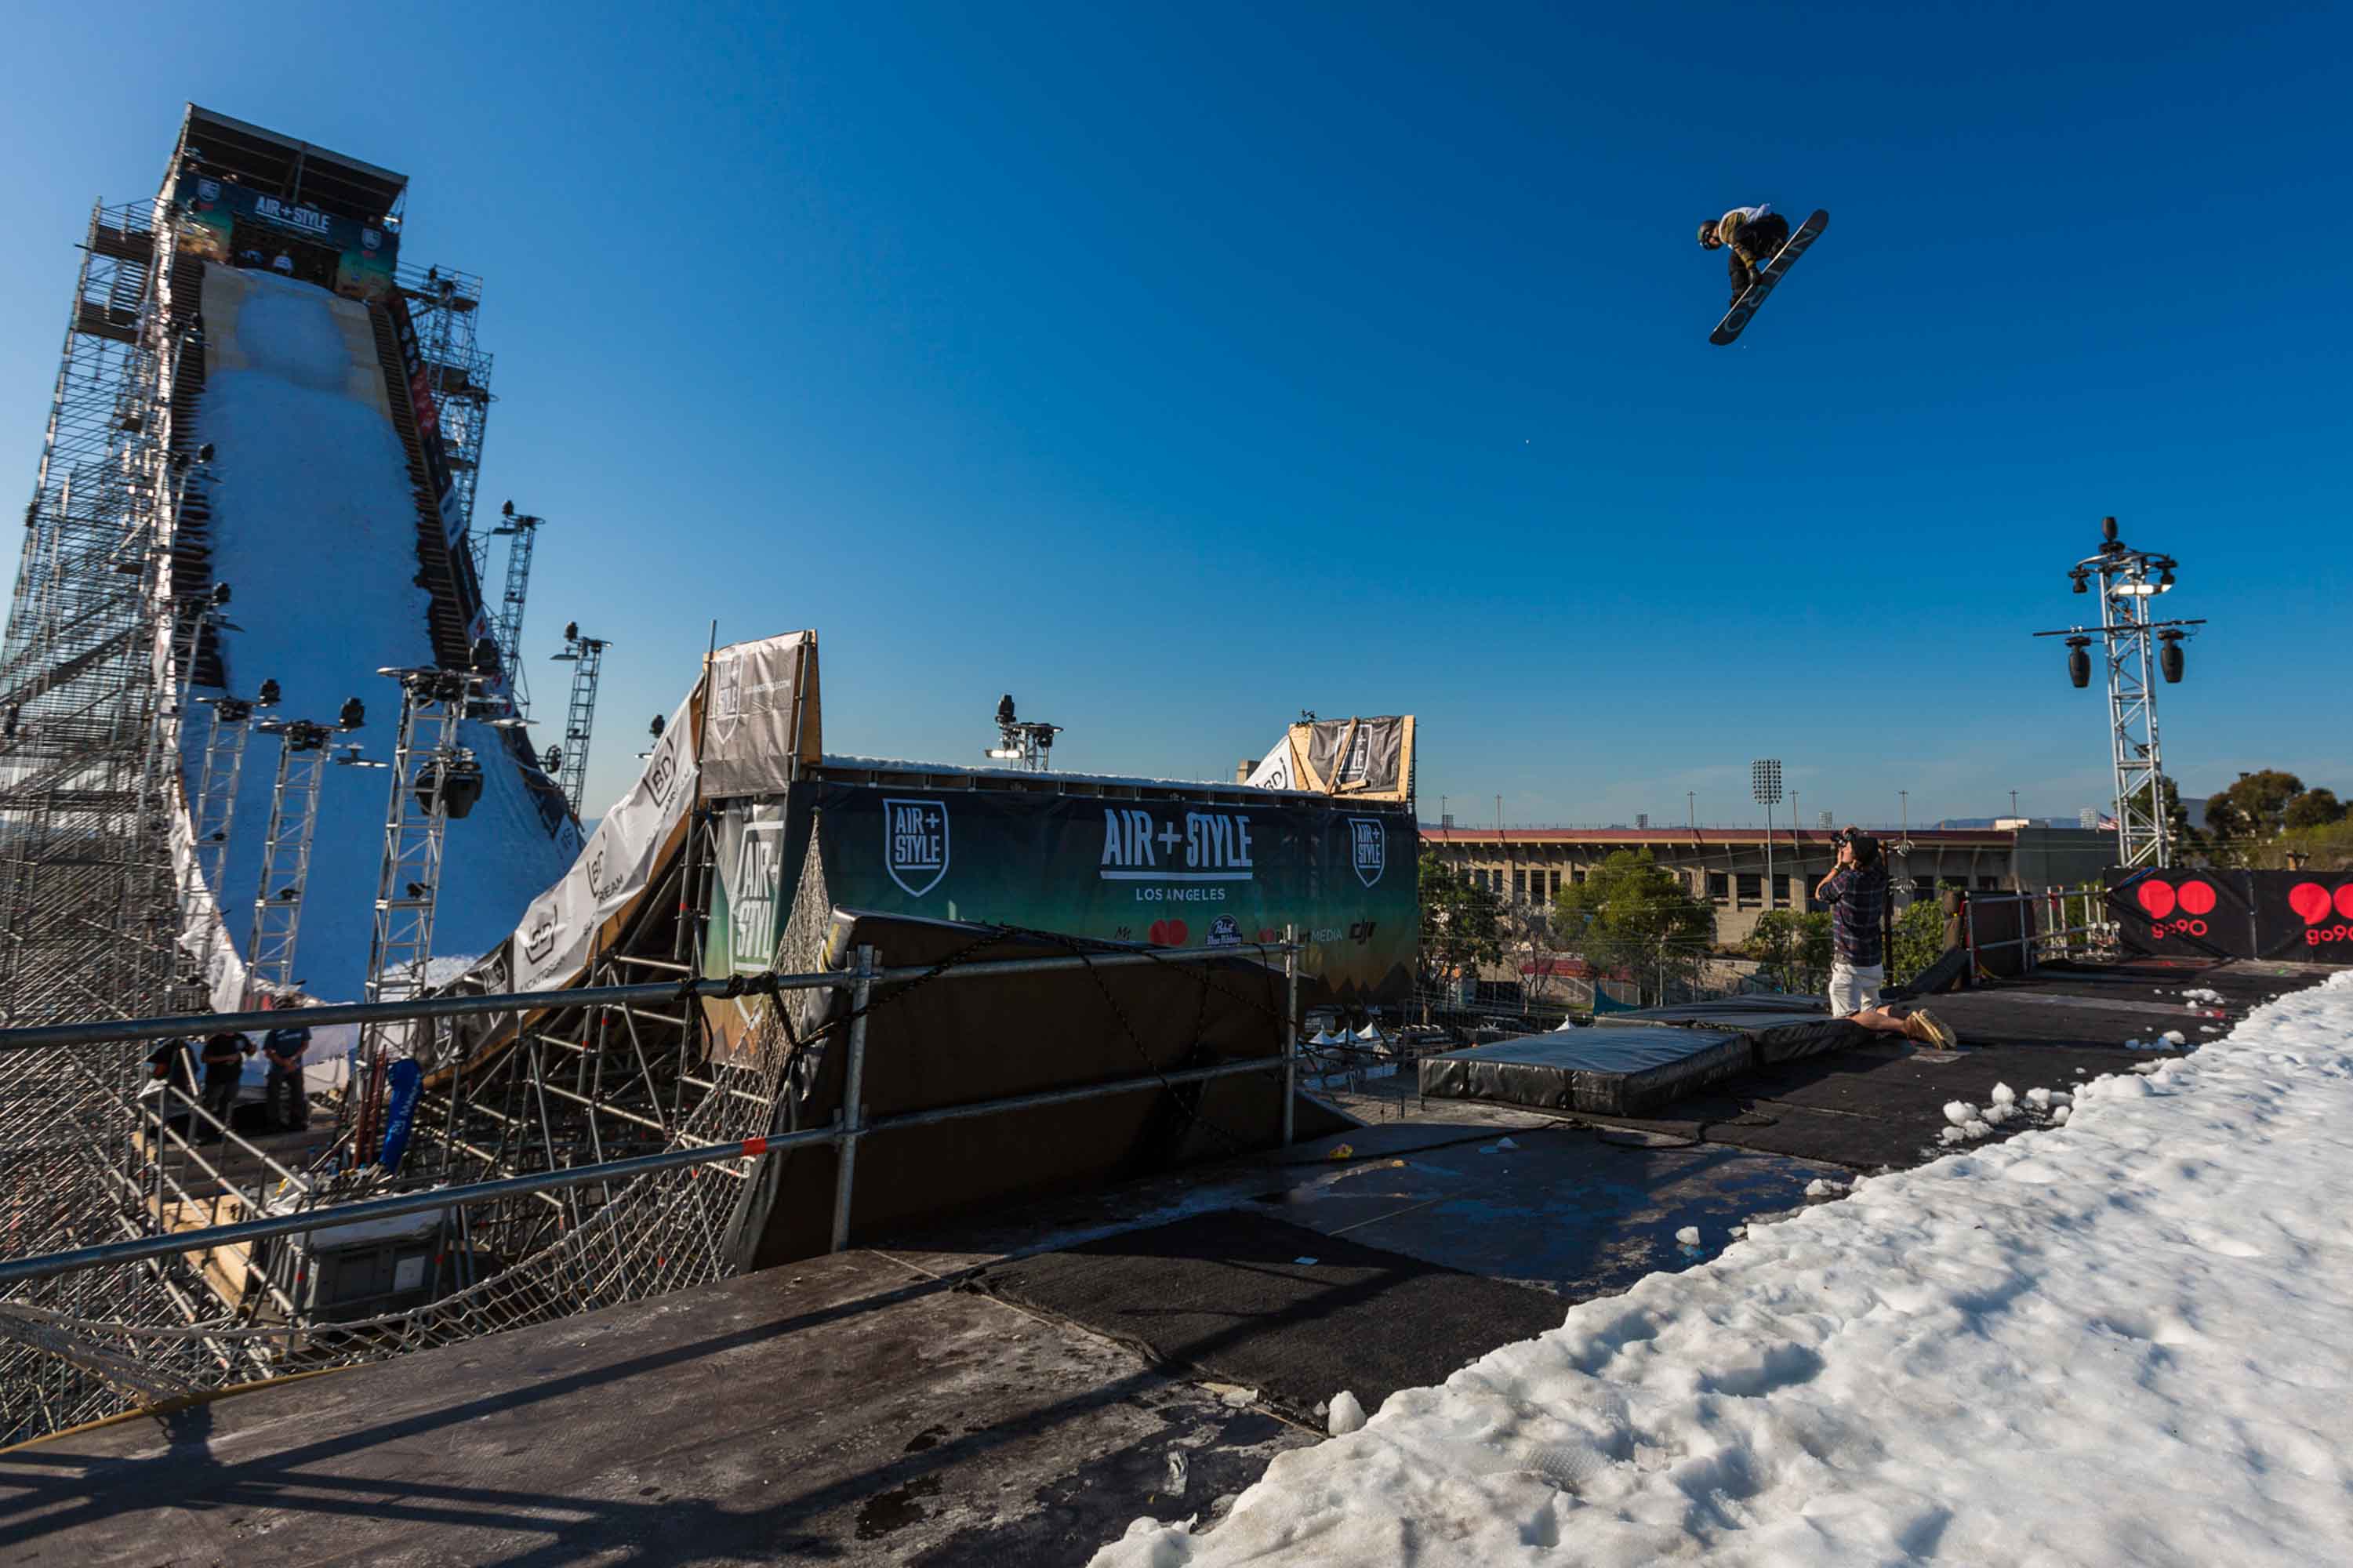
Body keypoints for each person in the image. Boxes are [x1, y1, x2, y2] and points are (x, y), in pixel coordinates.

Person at [1815, 830, 1957, 1048]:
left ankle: (1909, 1027)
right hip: (1872, 960)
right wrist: (1856, 839)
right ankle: (1918, 1017)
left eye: (1848, 849)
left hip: (1848, 962)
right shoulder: (1880, 877)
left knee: (1848, 1017)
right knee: (1873, 1007)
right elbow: (1874, 856)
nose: (1844, 849)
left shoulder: (1847, 879)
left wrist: (1838, 865)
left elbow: (1820, 892)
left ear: (1855, 857)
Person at [1698, 205, 1793, 307]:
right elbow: (1742, 249)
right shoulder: (1727, 234)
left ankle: (1774, 246)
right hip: (1768, 231)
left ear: (1709, 233)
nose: (1712, 247)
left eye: (1708, 244)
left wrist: (1752, 269)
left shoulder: (1724, 227)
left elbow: (1739, 245)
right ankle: (1741, 292)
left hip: (1773, 226)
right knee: (1735, 258)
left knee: (1737, 247)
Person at [198, 1029, 252, 1142]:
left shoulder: (240, 1038)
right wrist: (227, 1058)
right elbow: (204, 1058)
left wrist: (253, 1050)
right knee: (208, 1104)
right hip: (216, 1080)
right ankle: (201, 1131)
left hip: (233, 1079)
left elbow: (249, 1051)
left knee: (228, 1105)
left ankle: (224, 1130)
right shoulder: (215, 1040)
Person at [260, 1015, 313, 1132]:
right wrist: (283, 1062)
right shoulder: (274, 1029)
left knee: (298, 1093)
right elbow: (268, 1051)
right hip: (277, 1068)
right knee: (274, 1095)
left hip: (295, 1066)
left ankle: (297, 1121)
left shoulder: (302, 1025)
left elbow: (305, 1044)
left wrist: (292, 1059)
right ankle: (273, 1123)